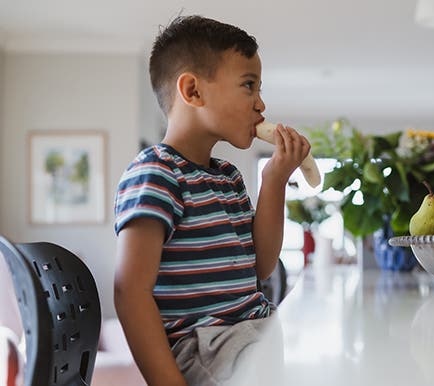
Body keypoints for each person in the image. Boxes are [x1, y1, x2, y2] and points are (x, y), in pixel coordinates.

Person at [113, 15, 310, 386]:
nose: (261, 104)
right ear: (193, 91)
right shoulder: (156, 172)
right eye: (249, 86)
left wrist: (275, 180)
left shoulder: (228, 177)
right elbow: (130, 291)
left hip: (252, 333)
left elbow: (262, 266)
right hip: (206, 346)